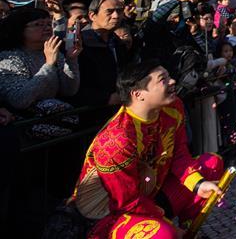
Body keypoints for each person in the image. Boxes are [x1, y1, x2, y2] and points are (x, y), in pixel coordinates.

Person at [71, 60, 224, 239]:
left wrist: (198, 185)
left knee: (212, 163)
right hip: (114, 215)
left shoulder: (173, 107)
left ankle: (189, 231)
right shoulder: (116, 140)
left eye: (169, 76)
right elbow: (126, 202)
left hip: (152, 195)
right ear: (138, 94)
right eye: (163, 79)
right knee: (163, 234)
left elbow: (179, 154)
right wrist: (170, 228)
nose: (173, 81)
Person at [0, 7, 81, 110]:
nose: (47, 28)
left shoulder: (52, 51)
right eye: (38, 24)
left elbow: (69, 91)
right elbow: (19, 100)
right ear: (20, 29)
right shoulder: (9, 58)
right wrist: (49, 65)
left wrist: (71, 60)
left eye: (49, 24)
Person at [73, 0, 129, 107]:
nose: (116, 16)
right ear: (92, 15)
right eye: (109, 11)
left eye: (119, 11)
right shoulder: (79, 43)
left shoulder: (118, 43)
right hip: (89, 110)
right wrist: (104, 98)